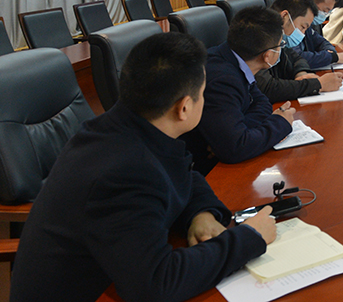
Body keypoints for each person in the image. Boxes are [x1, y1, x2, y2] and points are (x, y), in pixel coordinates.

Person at [10, 33, 277, 302]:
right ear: (184, 108)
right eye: (203, 94)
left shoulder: (128, 123)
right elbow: (156, 284)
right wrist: (249, 238)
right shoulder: (123, 172)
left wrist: (201, 214)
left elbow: (183, 172)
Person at [184, 7, 297, 174]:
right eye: (280, 45)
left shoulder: (234, 58)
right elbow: (235, 148)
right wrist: (280, 123)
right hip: (204, 170)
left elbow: (263, 103)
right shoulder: (222, 80)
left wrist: (240, 130)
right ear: (267, 55)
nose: (282, 49)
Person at [254, 0, 342, 102]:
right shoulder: (258, 39)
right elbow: (268, 88)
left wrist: (301, 73)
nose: (303, 34)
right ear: (285, 17)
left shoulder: (279, 39)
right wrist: (318, 84)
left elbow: (296, 58)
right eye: (302, 27)